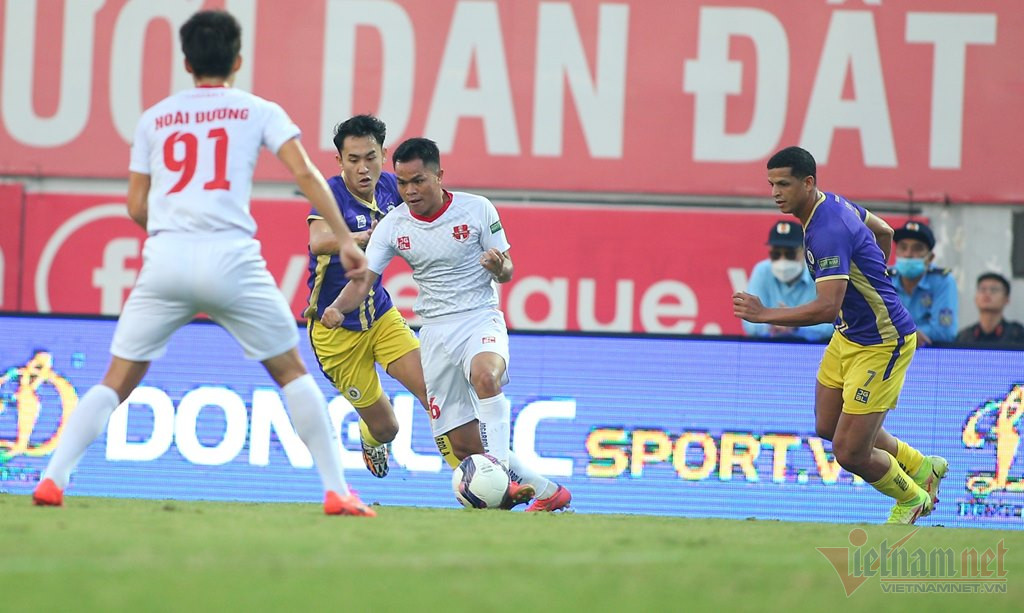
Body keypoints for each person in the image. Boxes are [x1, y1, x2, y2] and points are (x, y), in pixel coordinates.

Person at [32, 10, 375, 516]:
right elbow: (305, 174)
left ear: (186, 62)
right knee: (291, 372)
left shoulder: (155, 118)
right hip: (231, 258)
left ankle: (52, 480)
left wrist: (176, 231)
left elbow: (135, 206)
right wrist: (344, 238)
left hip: (166, 258)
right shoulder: (258, 110)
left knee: (116, 379)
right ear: (237, 61)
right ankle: (336, 491)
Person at [322, 137, 571, 512]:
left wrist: (498, 267)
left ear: (439, 175)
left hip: (479, 318)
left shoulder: (477, 209)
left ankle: (499, 474)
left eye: (418, 181)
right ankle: (549, 493)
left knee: (485, 376)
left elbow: (507, 269)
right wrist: (338, 308)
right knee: (464, 446)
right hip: (435, 333)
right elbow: (364, 281)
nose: (409, 191)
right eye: (402, 183)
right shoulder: (394, 225)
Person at [732, 146, 947, 525]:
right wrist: (874, 272)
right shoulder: (831, 203)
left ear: (807, 183)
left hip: (883, 342)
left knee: (849, 452)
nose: (775, 193)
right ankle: (920, 466)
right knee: (828, 427)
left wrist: (765, 314)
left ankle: (912, 498)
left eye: (784, 184)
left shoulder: (826, 231)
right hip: (849, 335)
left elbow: (826, 307)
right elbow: (884, 230)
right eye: (771, 184)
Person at [304, 114, 428, 478]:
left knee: (433, 392)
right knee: (387, 428)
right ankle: (372, 438)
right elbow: (318, 241)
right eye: (353, 159)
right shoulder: (330, 194)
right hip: (335, 330)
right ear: (339, 161)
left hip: (380, 314)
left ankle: (475, 480)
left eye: (370, 157)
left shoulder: (391, 186)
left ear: (384, 155)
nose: (363, 168)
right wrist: (359, 238)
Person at [742, 220, 833, 341]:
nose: (782, 260)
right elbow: (749, 324)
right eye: (776, 254)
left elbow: (831, 323)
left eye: (790, 254)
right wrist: (773, 325)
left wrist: (794, 325)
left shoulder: (819, 273)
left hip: (813, 348)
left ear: (804, 251)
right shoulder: (762, 271)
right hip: (769, 346)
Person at [888, 220, 958, 345]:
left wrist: (898, 334)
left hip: (930, 353)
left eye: (917, 248)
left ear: (930, 258)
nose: (908, 254)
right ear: (896, 252)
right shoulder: (885, 278)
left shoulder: (943, 281)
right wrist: (911, 334)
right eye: (903, 247)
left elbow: (945, 332)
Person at [956, 272, 1024, 344]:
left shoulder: (1018, 335)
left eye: (994, 290)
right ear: (975, 298)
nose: (987, 293)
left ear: (1006, 299)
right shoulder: (964, 337)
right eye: (982, 289)